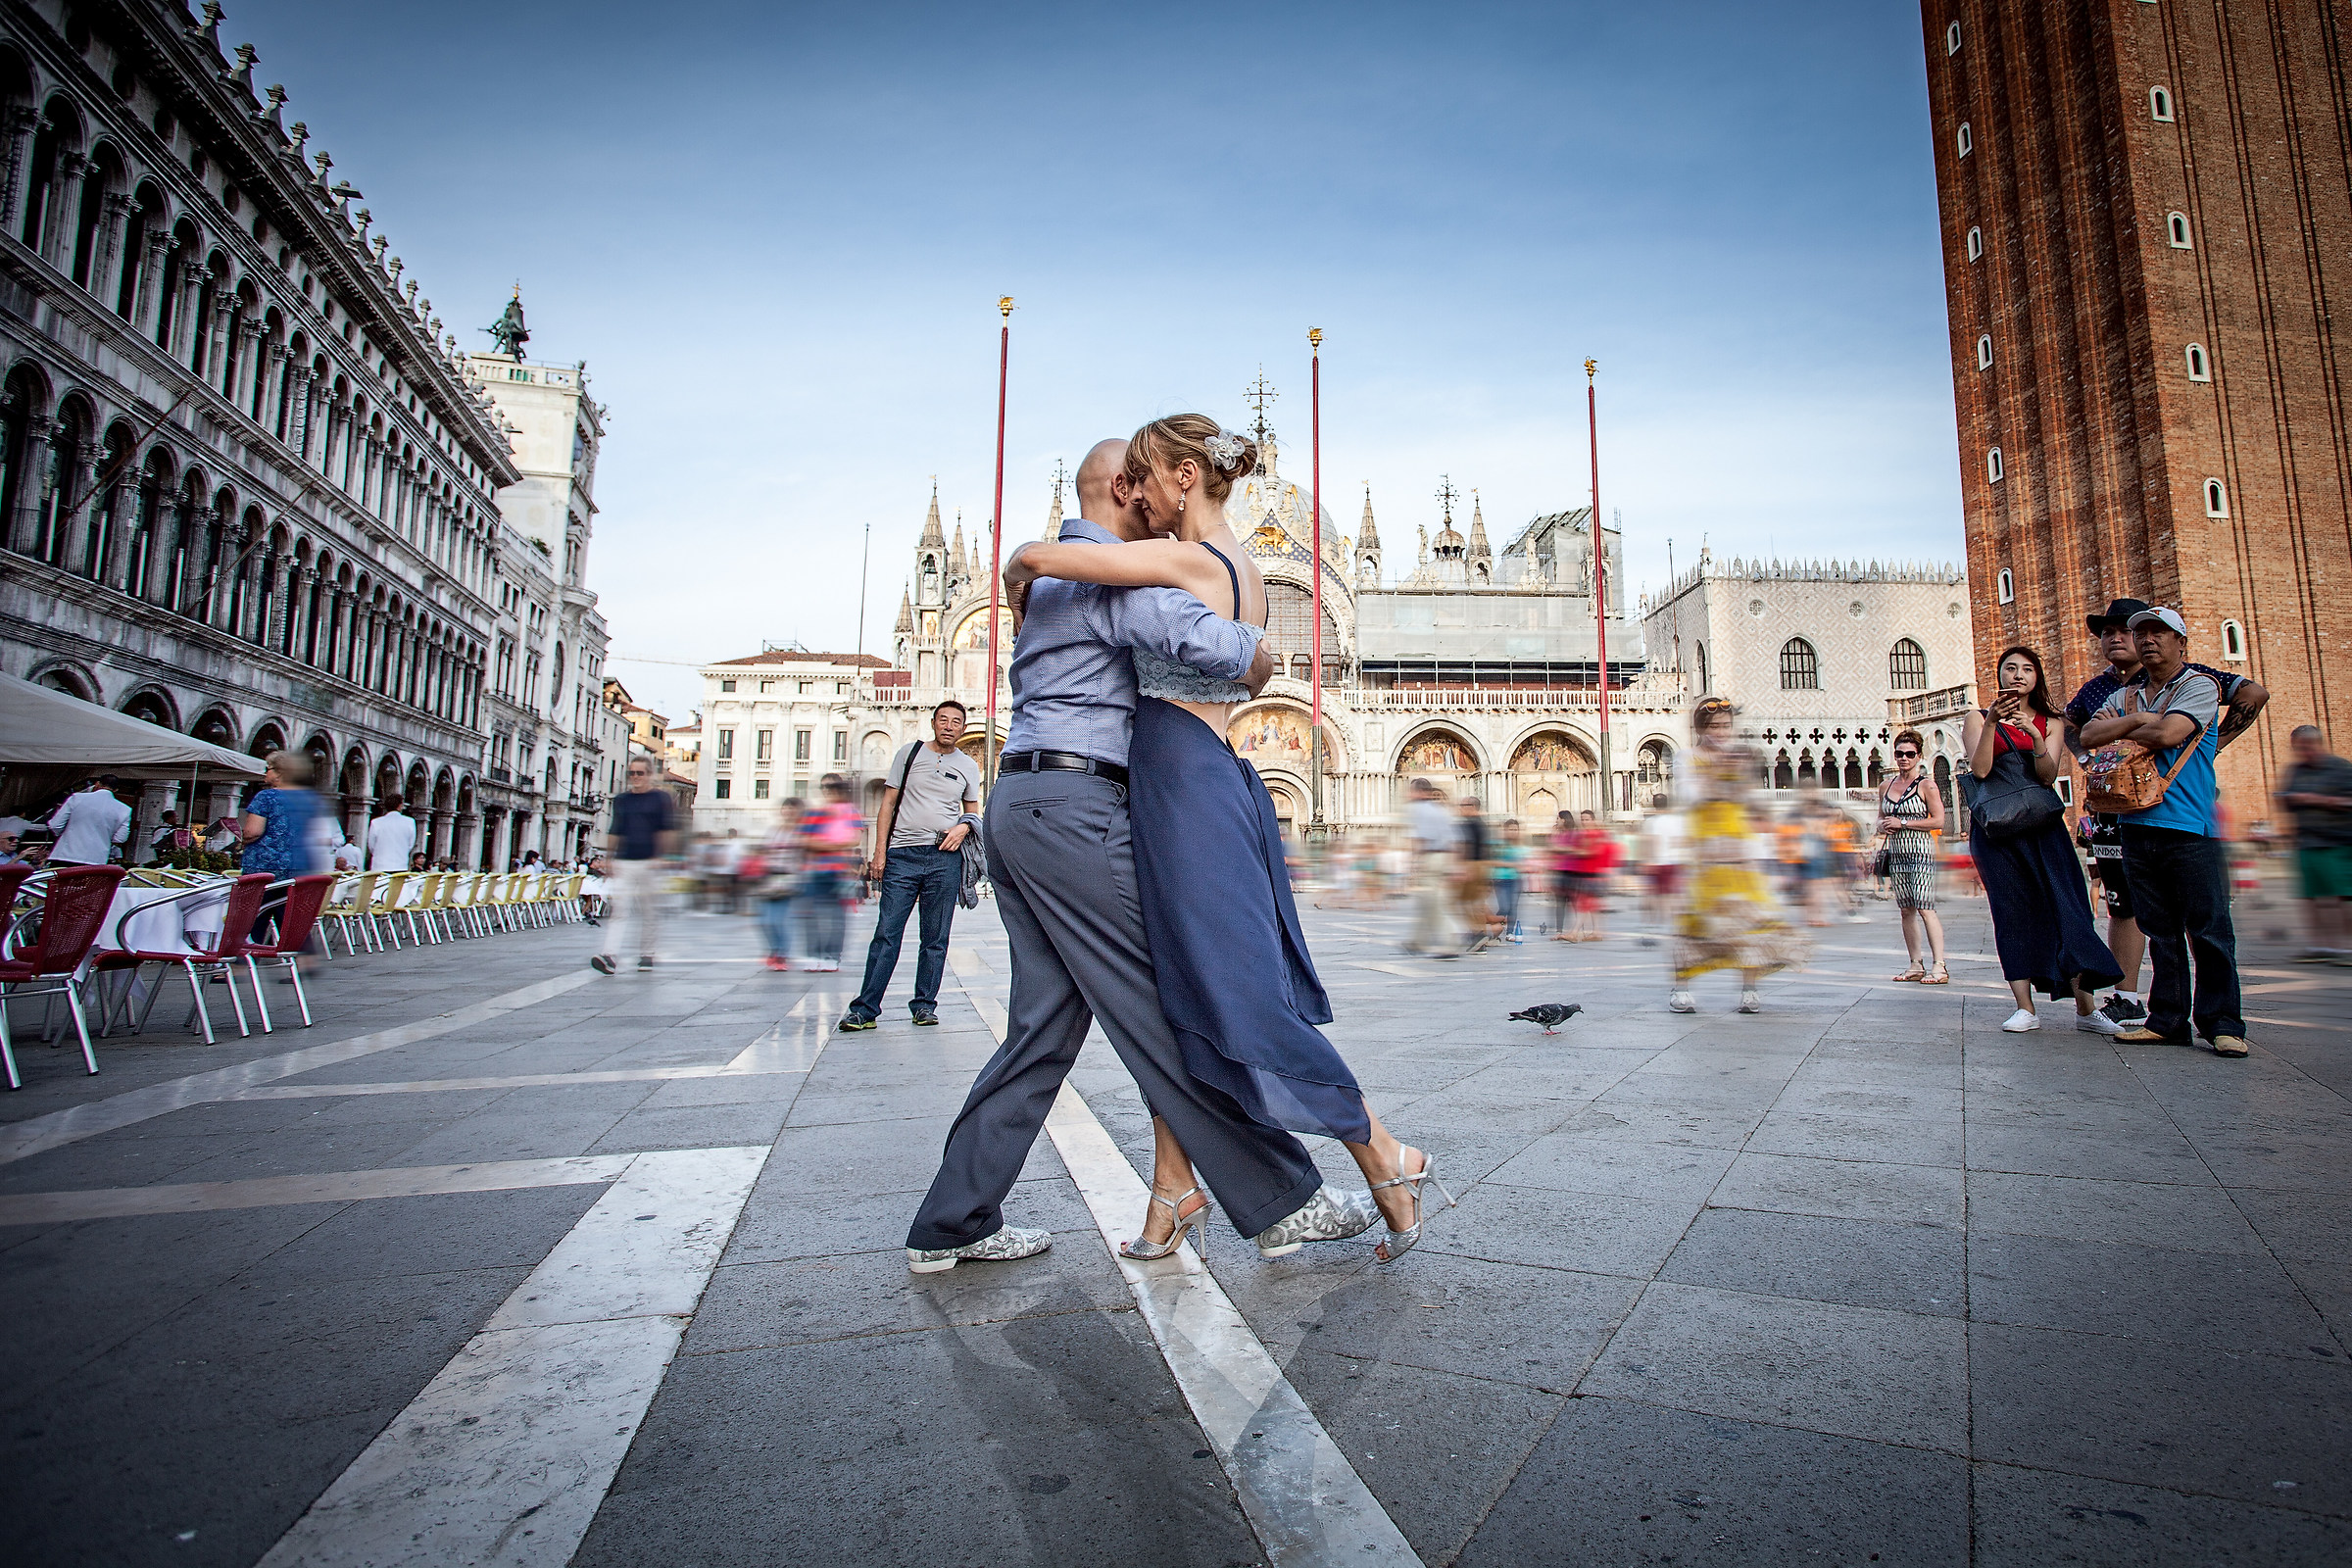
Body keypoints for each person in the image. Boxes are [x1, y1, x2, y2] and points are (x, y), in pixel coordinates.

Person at [902, 435, 1373, 1276]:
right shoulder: (1107, 576)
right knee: (1160, 1006)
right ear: (1124, 488)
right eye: (1145, 488)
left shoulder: (1049, 576)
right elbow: (1217, 646)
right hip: (1079, 812)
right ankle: (1283, 1202)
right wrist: (1263, 654)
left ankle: (953, 1220)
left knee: (1041, 1029)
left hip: (1018, 804)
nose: (1157, 505)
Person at [988, 419, 1440, 1265]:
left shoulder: (1187, 562)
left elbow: (1054, 559)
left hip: (1184, 788)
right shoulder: (1234, 566)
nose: (1139, 498)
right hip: (1180, 784)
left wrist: (1020, 569)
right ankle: (1172, 1189)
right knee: (1186, 1003)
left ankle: (1384, 1152)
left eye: (1147, 481)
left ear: (1184, 477)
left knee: (1235, 1000)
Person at [2063, 597, 2268, 1028]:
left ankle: (2223, 1025)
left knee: (2208, 931)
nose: (2145, 640)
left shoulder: (2200, 683)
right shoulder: (2119, 692)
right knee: (2159, 930)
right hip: (2134, 823)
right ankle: (2167, 1022)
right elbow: (2089, 732)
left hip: (2191, 823)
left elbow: (2173, 731)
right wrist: (2140, 722)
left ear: (2180, 642)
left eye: (2157, 633)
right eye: (2141, 633)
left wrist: (2206, 743)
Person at [1966, 646, 2123, 1034]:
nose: (2018, 675)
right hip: (1997, 831)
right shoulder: (1976, 717)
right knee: (2011, 911)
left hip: (2042, 826)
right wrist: (1991, 724)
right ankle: (2024, 1007)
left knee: (2068, 906)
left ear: (2037, 677)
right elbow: (1980, 770)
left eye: (2027, 669)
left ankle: (2086, 1010)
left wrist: (2035, 734)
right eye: (2010, 669)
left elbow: (2048, 776)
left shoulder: (2051, 720)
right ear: (1999, 675)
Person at [840, 701, 983, 1029]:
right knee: (887, 933)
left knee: (935, 937)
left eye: (956, 722)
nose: (949, 726)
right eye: (943, 720)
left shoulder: (967, 766)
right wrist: (880, 852)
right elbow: (888, 803)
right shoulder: (909, 753)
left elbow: (973, 813)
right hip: (902, 854)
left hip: (944, 857)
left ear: (963, 728)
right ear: (933, 723)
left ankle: (924, 1005)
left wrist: (963, 827)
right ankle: (865, 1009)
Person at [1669, 698, 1808, 1013]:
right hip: (1704, 847)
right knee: (1696, 920)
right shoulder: (1686, 758)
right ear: (1700, 729)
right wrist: (1720, 774)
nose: (1720, 733)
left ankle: (1749, 989)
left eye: (1726, 726)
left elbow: (1749, 800)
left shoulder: (1737, 758)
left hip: (1738, 846)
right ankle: (1681, 987)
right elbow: (1690, 797)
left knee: (1750, 920)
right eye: (1714, 727)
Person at [1876, 728, 1950, 984]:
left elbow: (1939, 820)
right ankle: (1915, 964)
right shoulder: (1886, 786)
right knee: (1906, 909)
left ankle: (1939, 966)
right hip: (1897, 853)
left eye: (1909, 754)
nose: (1904, 758)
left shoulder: (1926, 785)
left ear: (1919, 756)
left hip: (1920, 851)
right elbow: (1879, 818)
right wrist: (1882, 825)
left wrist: (1904, 823)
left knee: (1925, 908)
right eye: (1899, 753)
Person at [592, 759, 678, 974]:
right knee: (619, 911)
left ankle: (647, 954)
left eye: (640, 773)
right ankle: (609, 956)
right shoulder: (621, 800)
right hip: (625, 861)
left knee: (649, 911)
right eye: (632, 773)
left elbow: (666, 829)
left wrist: (662, 856)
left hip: (650, 862)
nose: (636, 777)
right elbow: (615, 829)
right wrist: (609, 858)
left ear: (649, 774)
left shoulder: (661, 798)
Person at [2278, 724, 2352, 962]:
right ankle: (2322, 946)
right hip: (2307, 842)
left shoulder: (2340, 768)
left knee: (2342, 897)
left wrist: (2322, 800)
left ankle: (2347, 946)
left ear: (2318, 743)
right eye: (2299, 748)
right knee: (2312, 898)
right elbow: (2285, 798)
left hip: (2337, 842)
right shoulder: (2296, 771)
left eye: (2307, 747)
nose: (2304, 752)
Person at [238, 751, 324, 940]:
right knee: (286, 918)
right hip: (296, 869)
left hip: (264, 868)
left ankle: (245, 959)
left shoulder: (266, 797)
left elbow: (253, 831)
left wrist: (241, 839)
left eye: (267, 769)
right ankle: (296, 958)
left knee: (254, 917)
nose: (265, 774)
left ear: (279, 773)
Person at [797, 775, 863, 973]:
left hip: (837, 872)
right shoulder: (816, 812)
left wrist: (822, 844)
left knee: (836, 917)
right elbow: (804, 841)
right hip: (814, 871)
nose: (830, 794)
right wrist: (834, 843)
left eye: (833, 790)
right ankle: (814, 954)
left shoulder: (849, 812)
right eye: (826, 790)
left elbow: (854, 839)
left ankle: (832, 956)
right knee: (811, 916)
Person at [1402, 778, 1455, 954]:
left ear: (1420, 792)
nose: (1409, 795)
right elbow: (1452, 838)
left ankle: (1450, 942)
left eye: (1412, 791)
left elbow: (1421, 839)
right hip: (1443, 857)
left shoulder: (1421, 810)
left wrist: (1415, 866)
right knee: (1426, 901)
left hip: (1431, 858)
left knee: (1433, 903)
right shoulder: (1440, 810)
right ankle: (1417, 941)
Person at [1446, 794, 1501, 956]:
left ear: (1472, 807)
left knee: (1462, 902)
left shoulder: (1472, 825)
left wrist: (1464, 868)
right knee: (1474, 904)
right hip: (1478, 866)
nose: (1460, 809)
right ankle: (1478, 937)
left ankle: (1477, 934)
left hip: (1472, 866)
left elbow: (1467, 846)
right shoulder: (1480, 825)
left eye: (1463, 806)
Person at [757, 799, 806, 970]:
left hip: (788, 878)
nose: (788, 812)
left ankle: (781, 954)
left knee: (778, 919)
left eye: (792, 809)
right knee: (764, 920)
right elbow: (764, 853)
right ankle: (774, 950)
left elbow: (804, 857)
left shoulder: (801, 833)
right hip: (769, 877)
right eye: (786, 808)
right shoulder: (773, 831)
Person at [45, 776, 130, 867]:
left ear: (97, 784)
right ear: (116, 789)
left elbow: (55, 825)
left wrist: (65, 834)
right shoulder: (124, 809)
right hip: (96, 859)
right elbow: (120, 838)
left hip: (65, 854)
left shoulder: (76, 798)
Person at [1492, 818, 1525, 941]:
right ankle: (1493, 928)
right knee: (1504, 907)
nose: (1513, 832)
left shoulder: (1520, 845)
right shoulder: (1499, 844)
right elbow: (1493, 860)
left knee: (1513, 907)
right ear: (1505, 830)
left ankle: (1510, 932)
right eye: (1511, 829)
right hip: (1501, 879)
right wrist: (1511, 864)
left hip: (1516, 879)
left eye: (1516, 830)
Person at [366, 801, 416, 872]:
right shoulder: (409, 821)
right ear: (400, 806)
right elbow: (410, 844)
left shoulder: (376, 822)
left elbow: (371, 845)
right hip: (400, 864)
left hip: (380, 864)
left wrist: (379, 853)